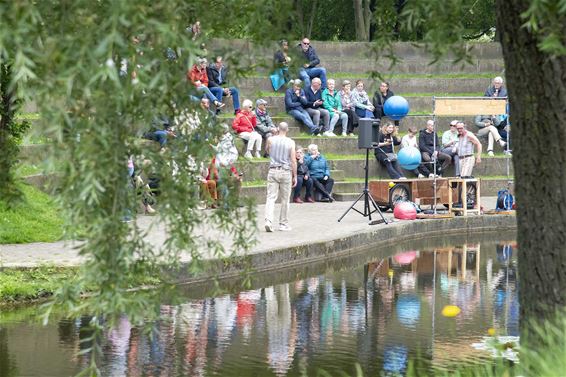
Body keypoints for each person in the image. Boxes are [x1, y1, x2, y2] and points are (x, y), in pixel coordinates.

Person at [265, 122, 297, 232]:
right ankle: (283, 223)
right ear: (287, 130)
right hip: (285, 171)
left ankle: (268, 221)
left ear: (278, 129)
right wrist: (295, 176)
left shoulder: (270, 139)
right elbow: (293, 160)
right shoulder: (291, 142)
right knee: (285, 199)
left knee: (270, 197)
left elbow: (267, 151)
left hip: (273, 170)